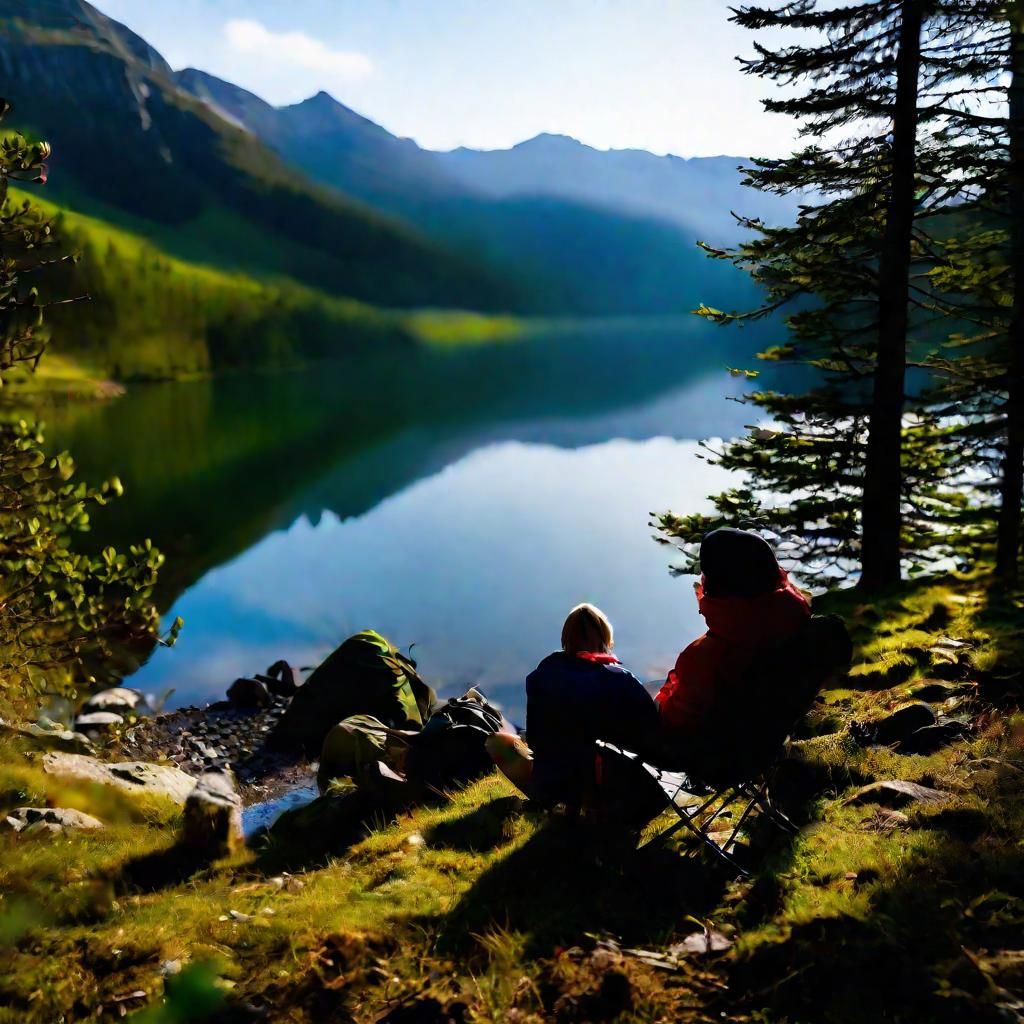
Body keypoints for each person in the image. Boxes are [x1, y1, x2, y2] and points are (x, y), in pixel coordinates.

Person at [653, 527, 812, 776]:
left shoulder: (705, 658)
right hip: (771, 741)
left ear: (714, 587)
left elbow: (676, 721)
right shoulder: (795, 620)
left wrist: (661, 699)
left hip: (725, 761)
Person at [487, 603, 658, 808]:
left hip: (552, 785)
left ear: (566, 638)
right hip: (610, 788)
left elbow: (534, 738)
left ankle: (555, 803)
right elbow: (650, 731)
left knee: (498, 742)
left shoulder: (544, 673)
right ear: (604, 639)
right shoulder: (621, 680)